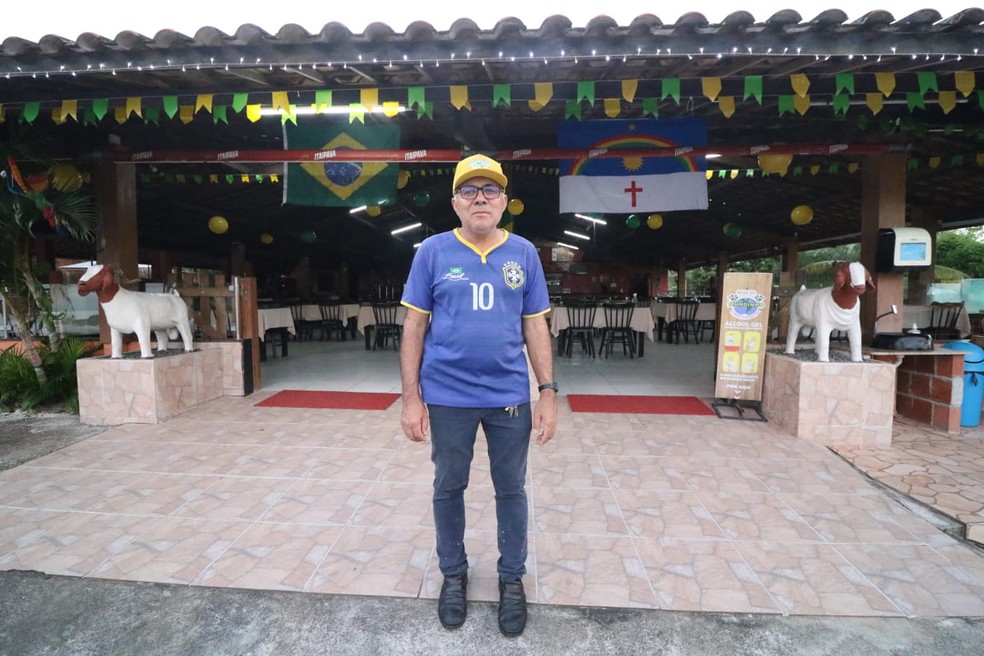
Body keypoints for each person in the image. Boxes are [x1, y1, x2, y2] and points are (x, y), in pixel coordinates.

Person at [399, 153, 558, 637]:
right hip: (448, 396)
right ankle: (454, 574)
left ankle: (512, 580)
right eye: (470, 191)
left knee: (511, 488)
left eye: (490, 190)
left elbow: (535, 326)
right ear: (455, 203)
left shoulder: (524, 253)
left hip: (509, 395)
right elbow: (414, 325)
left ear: (505, 201)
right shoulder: (431, 251)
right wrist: (411, 397)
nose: (481, 198)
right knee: (449, 486)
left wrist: (547, 392)